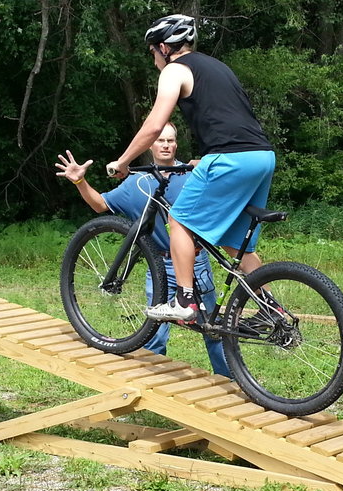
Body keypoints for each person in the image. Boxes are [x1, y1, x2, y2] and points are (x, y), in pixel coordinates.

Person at [105, 14, 276, 324]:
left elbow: (155, 125)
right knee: (233, 243)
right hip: (261, 156)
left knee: (179, 220)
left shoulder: (174, 70)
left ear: (163, 48)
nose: (153, 58)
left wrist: (124, 161)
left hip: (230, 158)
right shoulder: (218, 67)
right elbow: (227, 116)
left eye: (152, 51)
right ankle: (269, 307)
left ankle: (184, 301)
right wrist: (208, 158)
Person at [54, 123, 230, 377]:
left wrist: (207, 162)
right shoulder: (137, 182)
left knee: (213, 331)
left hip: (195, 264)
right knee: (154, 336)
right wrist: (80, 180)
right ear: (150, 145)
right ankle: (153, 389)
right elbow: (100, 204)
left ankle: (231, 385)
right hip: (158, 266)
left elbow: (226, 177)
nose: (166, 145)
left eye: (171, 140)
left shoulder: (192, 174)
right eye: (160, 141)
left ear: (176, 144)